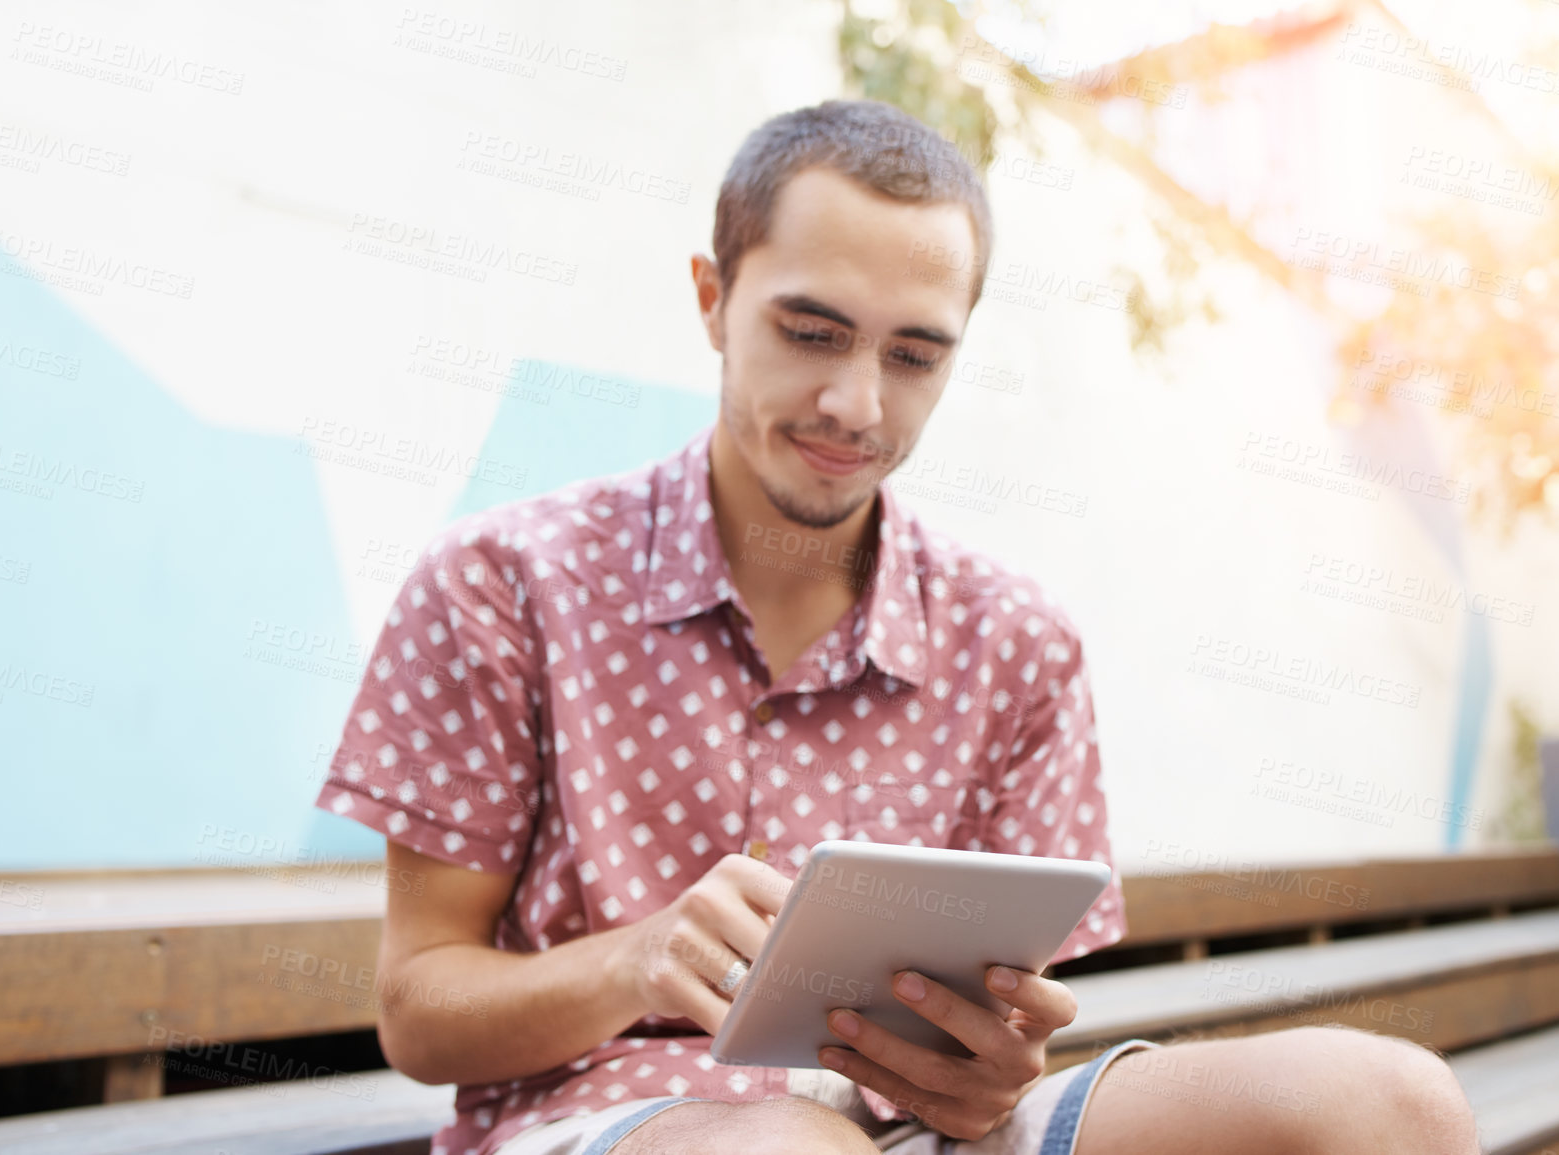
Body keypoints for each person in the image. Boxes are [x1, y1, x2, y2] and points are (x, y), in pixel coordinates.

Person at [314, 99, 1481, 1155]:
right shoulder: (501, 583)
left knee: (1393, 1105)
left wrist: (991, 1071)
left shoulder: (1016, 641)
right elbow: (419, 1016)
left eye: (914, 355)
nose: (857, 407)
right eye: (813, 332)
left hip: (924, 1135)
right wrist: (636, 957)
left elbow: (1003, 1044)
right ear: (712, 301)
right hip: (613, 1119)